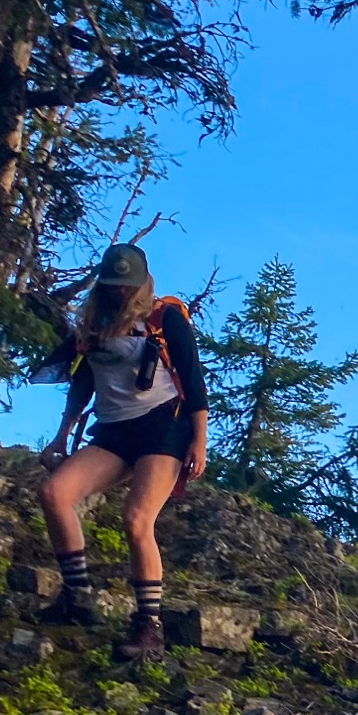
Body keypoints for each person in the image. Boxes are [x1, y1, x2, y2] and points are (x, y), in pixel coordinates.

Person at [37, 242, 209, 660]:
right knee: (54, 494)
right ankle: (77, 597)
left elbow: (193, 379)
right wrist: (63, 435)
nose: (119, 292)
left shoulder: (165, 318)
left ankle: (149, 625)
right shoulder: (91, 327)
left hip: (163, 427)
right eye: (113, 285)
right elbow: (82, 384)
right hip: (113, 431)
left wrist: (198, 441)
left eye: (125, 285)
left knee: (136, 520)